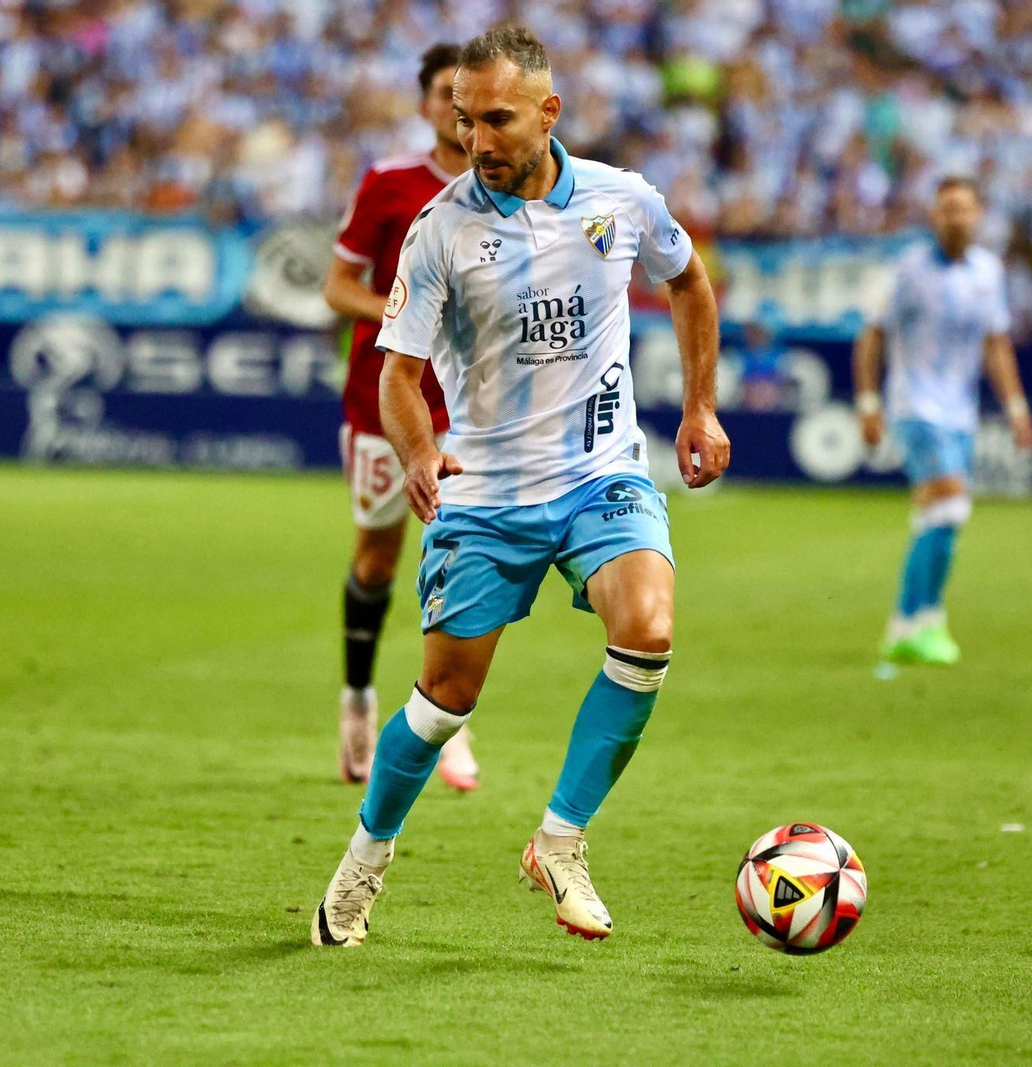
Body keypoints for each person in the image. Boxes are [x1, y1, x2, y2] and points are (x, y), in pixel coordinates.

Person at [310, 25, 729, 947]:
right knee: (443, 701)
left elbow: (691, 282)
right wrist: (420, 455)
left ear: (549, 112)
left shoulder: (623, 200)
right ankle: (365, 857)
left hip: (600, 475)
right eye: (463, 121)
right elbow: (397, 373)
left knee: (649, 629)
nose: (477, 140)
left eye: (496, 119)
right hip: (488, 493)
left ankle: (561, 841)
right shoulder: (440, 229)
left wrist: (699, 408)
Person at [322, 44, 479, 793]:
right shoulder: (390, 183)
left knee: (458, 546)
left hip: (474, 406)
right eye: (447, 93)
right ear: (425, 105)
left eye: (468, 94)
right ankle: (357, 697)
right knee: (379, 558)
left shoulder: (506, 187)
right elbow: (336, 284)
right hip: (385, 400)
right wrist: (400, 317)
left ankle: (448, 717)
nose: (458, 107)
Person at [853, 176, 1032, 666]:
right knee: (950, 506)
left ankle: (920, 621)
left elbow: (996, 344)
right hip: (915, 407)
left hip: (960, 412)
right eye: (946, 208)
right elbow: (870, 336)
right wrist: (869, 403)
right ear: (933, 215)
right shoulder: (907, 269)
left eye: (963, 208)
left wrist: (1017, 410)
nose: (954, 216)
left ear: (978, 215)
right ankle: (911, 622)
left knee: (939, 516)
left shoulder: (988, 272)